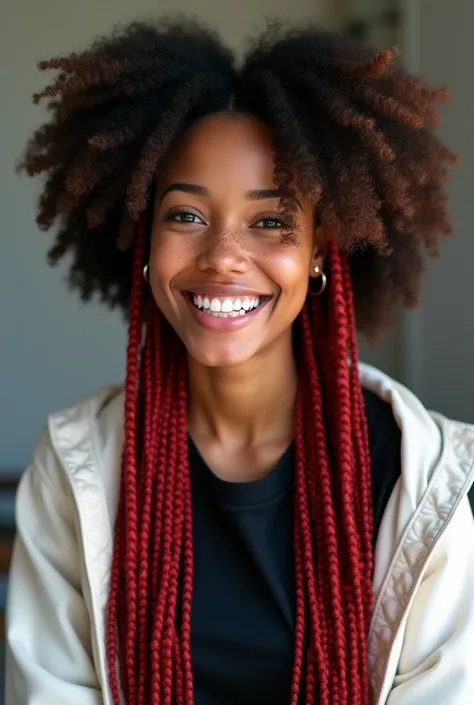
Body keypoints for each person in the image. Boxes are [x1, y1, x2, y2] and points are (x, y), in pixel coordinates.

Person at [5, 17, 474, 705]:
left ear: (319, 248)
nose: (223, 254)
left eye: (271, 220)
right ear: (144, 239)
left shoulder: (420, 476)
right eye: (186, 216)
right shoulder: (76, 467)